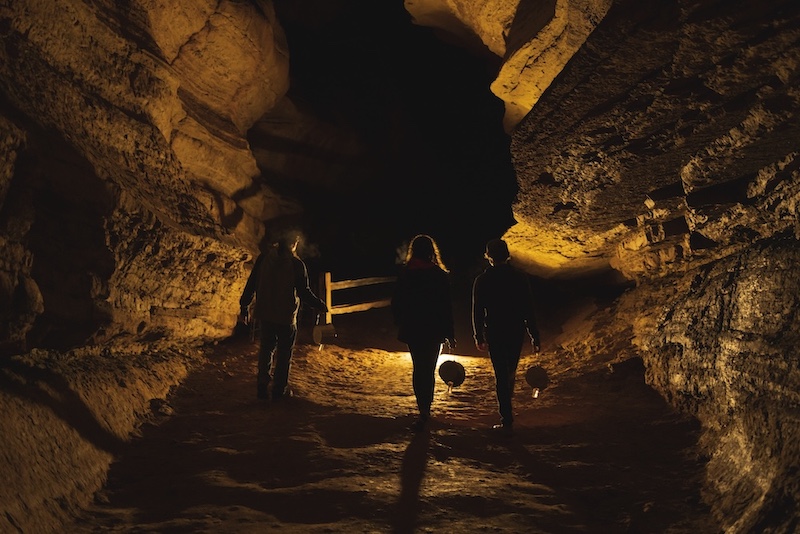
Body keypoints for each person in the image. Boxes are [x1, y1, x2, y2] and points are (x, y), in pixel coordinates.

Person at [239, 230, 328, 401]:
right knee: (284, 354)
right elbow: (303, 292)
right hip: (286, 317)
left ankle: (262, 387)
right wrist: (319, 304)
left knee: (266, 350)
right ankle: (279, 390)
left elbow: (252, 283)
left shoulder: (264, 258)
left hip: (265, 313)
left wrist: (244, 305)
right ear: (293, 244)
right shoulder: (296, 264)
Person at [472, 238, 540, 435]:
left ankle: (506, 417)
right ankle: (507, 413)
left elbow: (477, 311)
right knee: (510, 371)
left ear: (489, 257)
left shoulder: (482, 280)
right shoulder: (519, 278)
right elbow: (528, 308)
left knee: (501, 373)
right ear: (507, 254)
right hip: (515, 330)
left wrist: (478, 335)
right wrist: (534, 335)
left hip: (495, 331)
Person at [391, 234, 456, 431]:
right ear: (431, 251)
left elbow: (397, 302)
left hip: (413, 328)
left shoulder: (406, 274)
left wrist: (400, 321)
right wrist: (450, 333)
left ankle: (423, 411)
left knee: (419, 368)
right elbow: (446, 307)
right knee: (429, 369)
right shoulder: (438, 275)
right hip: (434, 328)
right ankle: (426, 409)